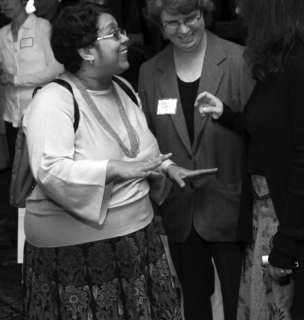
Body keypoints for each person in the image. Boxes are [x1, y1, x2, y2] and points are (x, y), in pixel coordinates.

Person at [22, 2, 215, 318]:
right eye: (114, 34)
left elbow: (137, 147)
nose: (125, 39)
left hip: (137, 239)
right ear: (87, 52)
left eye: (121, 31)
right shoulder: (52, 100)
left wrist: (167, 167)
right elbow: (50, 170)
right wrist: (114, 169)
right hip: (77, 254)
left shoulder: (122, 87)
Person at [196, 0, 304, 319]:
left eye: (246, 5)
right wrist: (229, 117)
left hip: (291, 223)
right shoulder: (281, 60)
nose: (240, 13)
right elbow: (278, 130)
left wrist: (285, 246)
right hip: (271, 217)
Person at [138, 0, 255, 319]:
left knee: (240, 302)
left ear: (205, 14)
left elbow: (257, 128)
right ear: (159, 26)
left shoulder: (238, 59)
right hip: (180, 209)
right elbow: (145, 139)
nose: (184, 29)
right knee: (193, 303)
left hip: (230, 204)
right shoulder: (150, 72)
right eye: (173, 23)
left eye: (191, 18)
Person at [0, 0, 63, 168]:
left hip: (40, 112)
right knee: (18, 177)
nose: (5, 3)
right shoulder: (2, 34)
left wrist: (15, 80)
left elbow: (56, 68)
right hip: (13, 117)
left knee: (43, 170)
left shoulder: (41, 26)